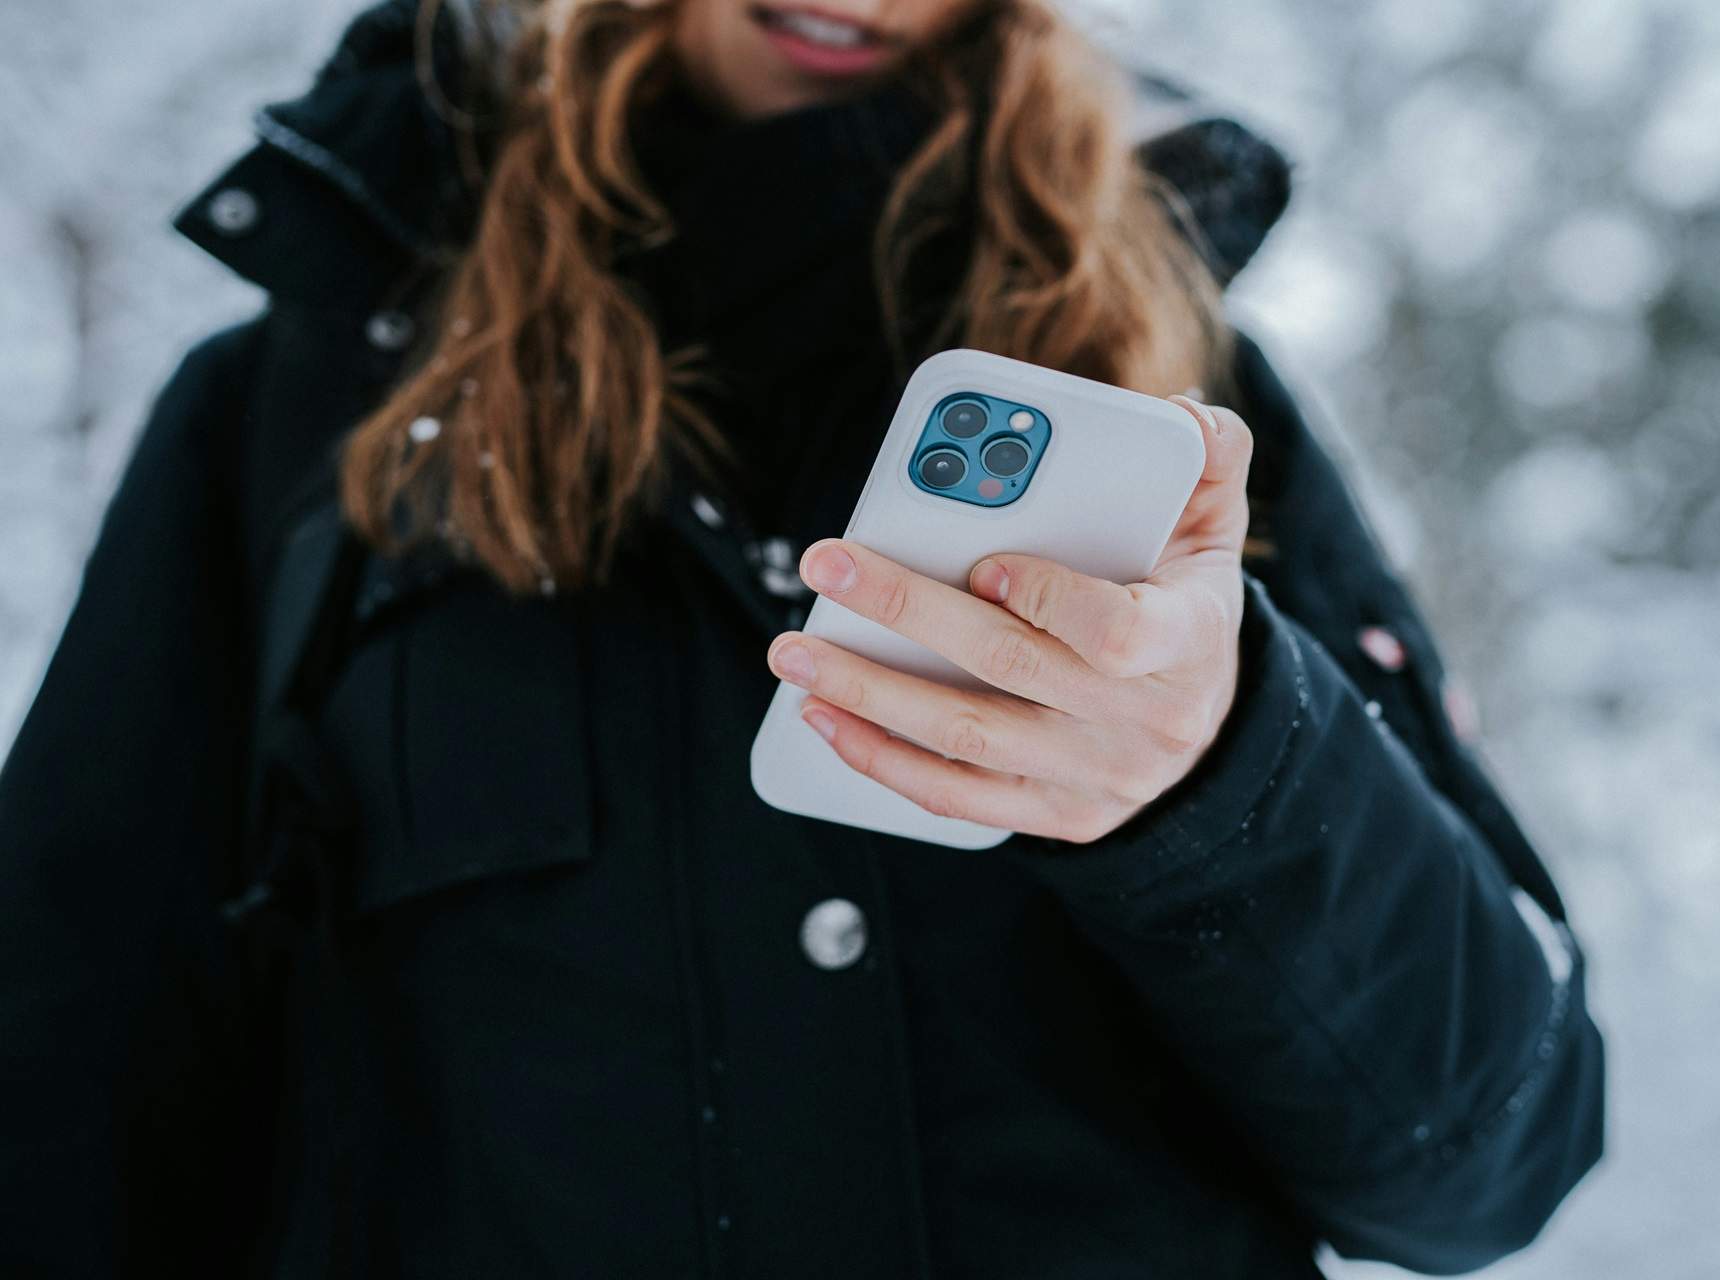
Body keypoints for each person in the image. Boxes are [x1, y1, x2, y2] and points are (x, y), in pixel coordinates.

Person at [0, 0, 1604, 1274]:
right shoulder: (292, 413)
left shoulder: (1183, 407)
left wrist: (1220, 779)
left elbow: (1492, 1163)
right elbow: (65, 1105)